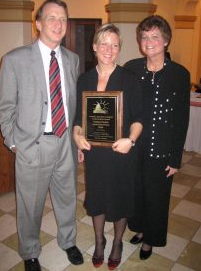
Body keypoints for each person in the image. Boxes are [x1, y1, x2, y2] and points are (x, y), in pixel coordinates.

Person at [0, 0, 84, 271]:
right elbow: (5, 107)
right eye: (51, 17)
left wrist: (77, 138)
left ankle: (68, 241)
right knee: (29, 206)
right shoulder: (14, 59)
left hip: (65, 143)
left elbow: (73, 104)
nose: (58, 24)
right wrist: (14, 143)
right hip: (32, 145)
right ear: (38, 23)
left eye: (63, 19)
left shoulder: (72, 59)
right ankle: (30, 252)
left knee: (67, 198)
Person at [73, 23, 143, 270]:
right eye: (104, 43)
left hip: (121, 151)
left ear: (119, 49)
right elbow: (78, 119)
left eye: (115, 45)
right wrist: (77, 137)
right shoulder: (85, 79)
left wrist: (131, 140)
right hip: (96, 154)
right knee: (98, 196)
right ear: (94, 47)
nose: (109, 49)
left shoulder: (129, 78)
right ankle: (100, 241)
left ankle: (117, 244)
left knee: (121, 197)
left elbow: (138, 118)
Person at [125, 15, 190, 260]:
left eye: (154, 36)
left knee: (157, 197)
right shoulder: (131, 68)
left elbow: (182, 118)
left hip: (162, 149)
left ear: (165, 41)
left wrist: (175, 158)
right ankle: (141, 229)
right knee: (138, 193)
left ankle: (150, 240)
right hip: (135, 147)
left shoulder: (179, 74)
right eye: (144, 36)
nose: (149, 41)